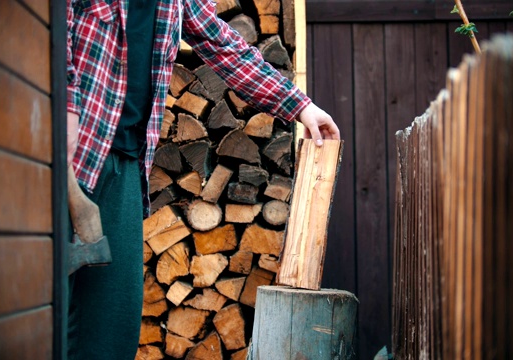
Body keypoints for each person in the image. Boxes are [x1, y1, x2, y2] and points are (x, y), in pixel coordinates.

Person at [66, 0, 340, 358]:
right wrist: (66, 101)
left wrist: (301, 107)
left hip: (123, 167)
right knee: (28, 313)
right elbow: (41, 29)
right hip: (54, 158)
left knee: (109, 333)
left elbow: (225, 45)